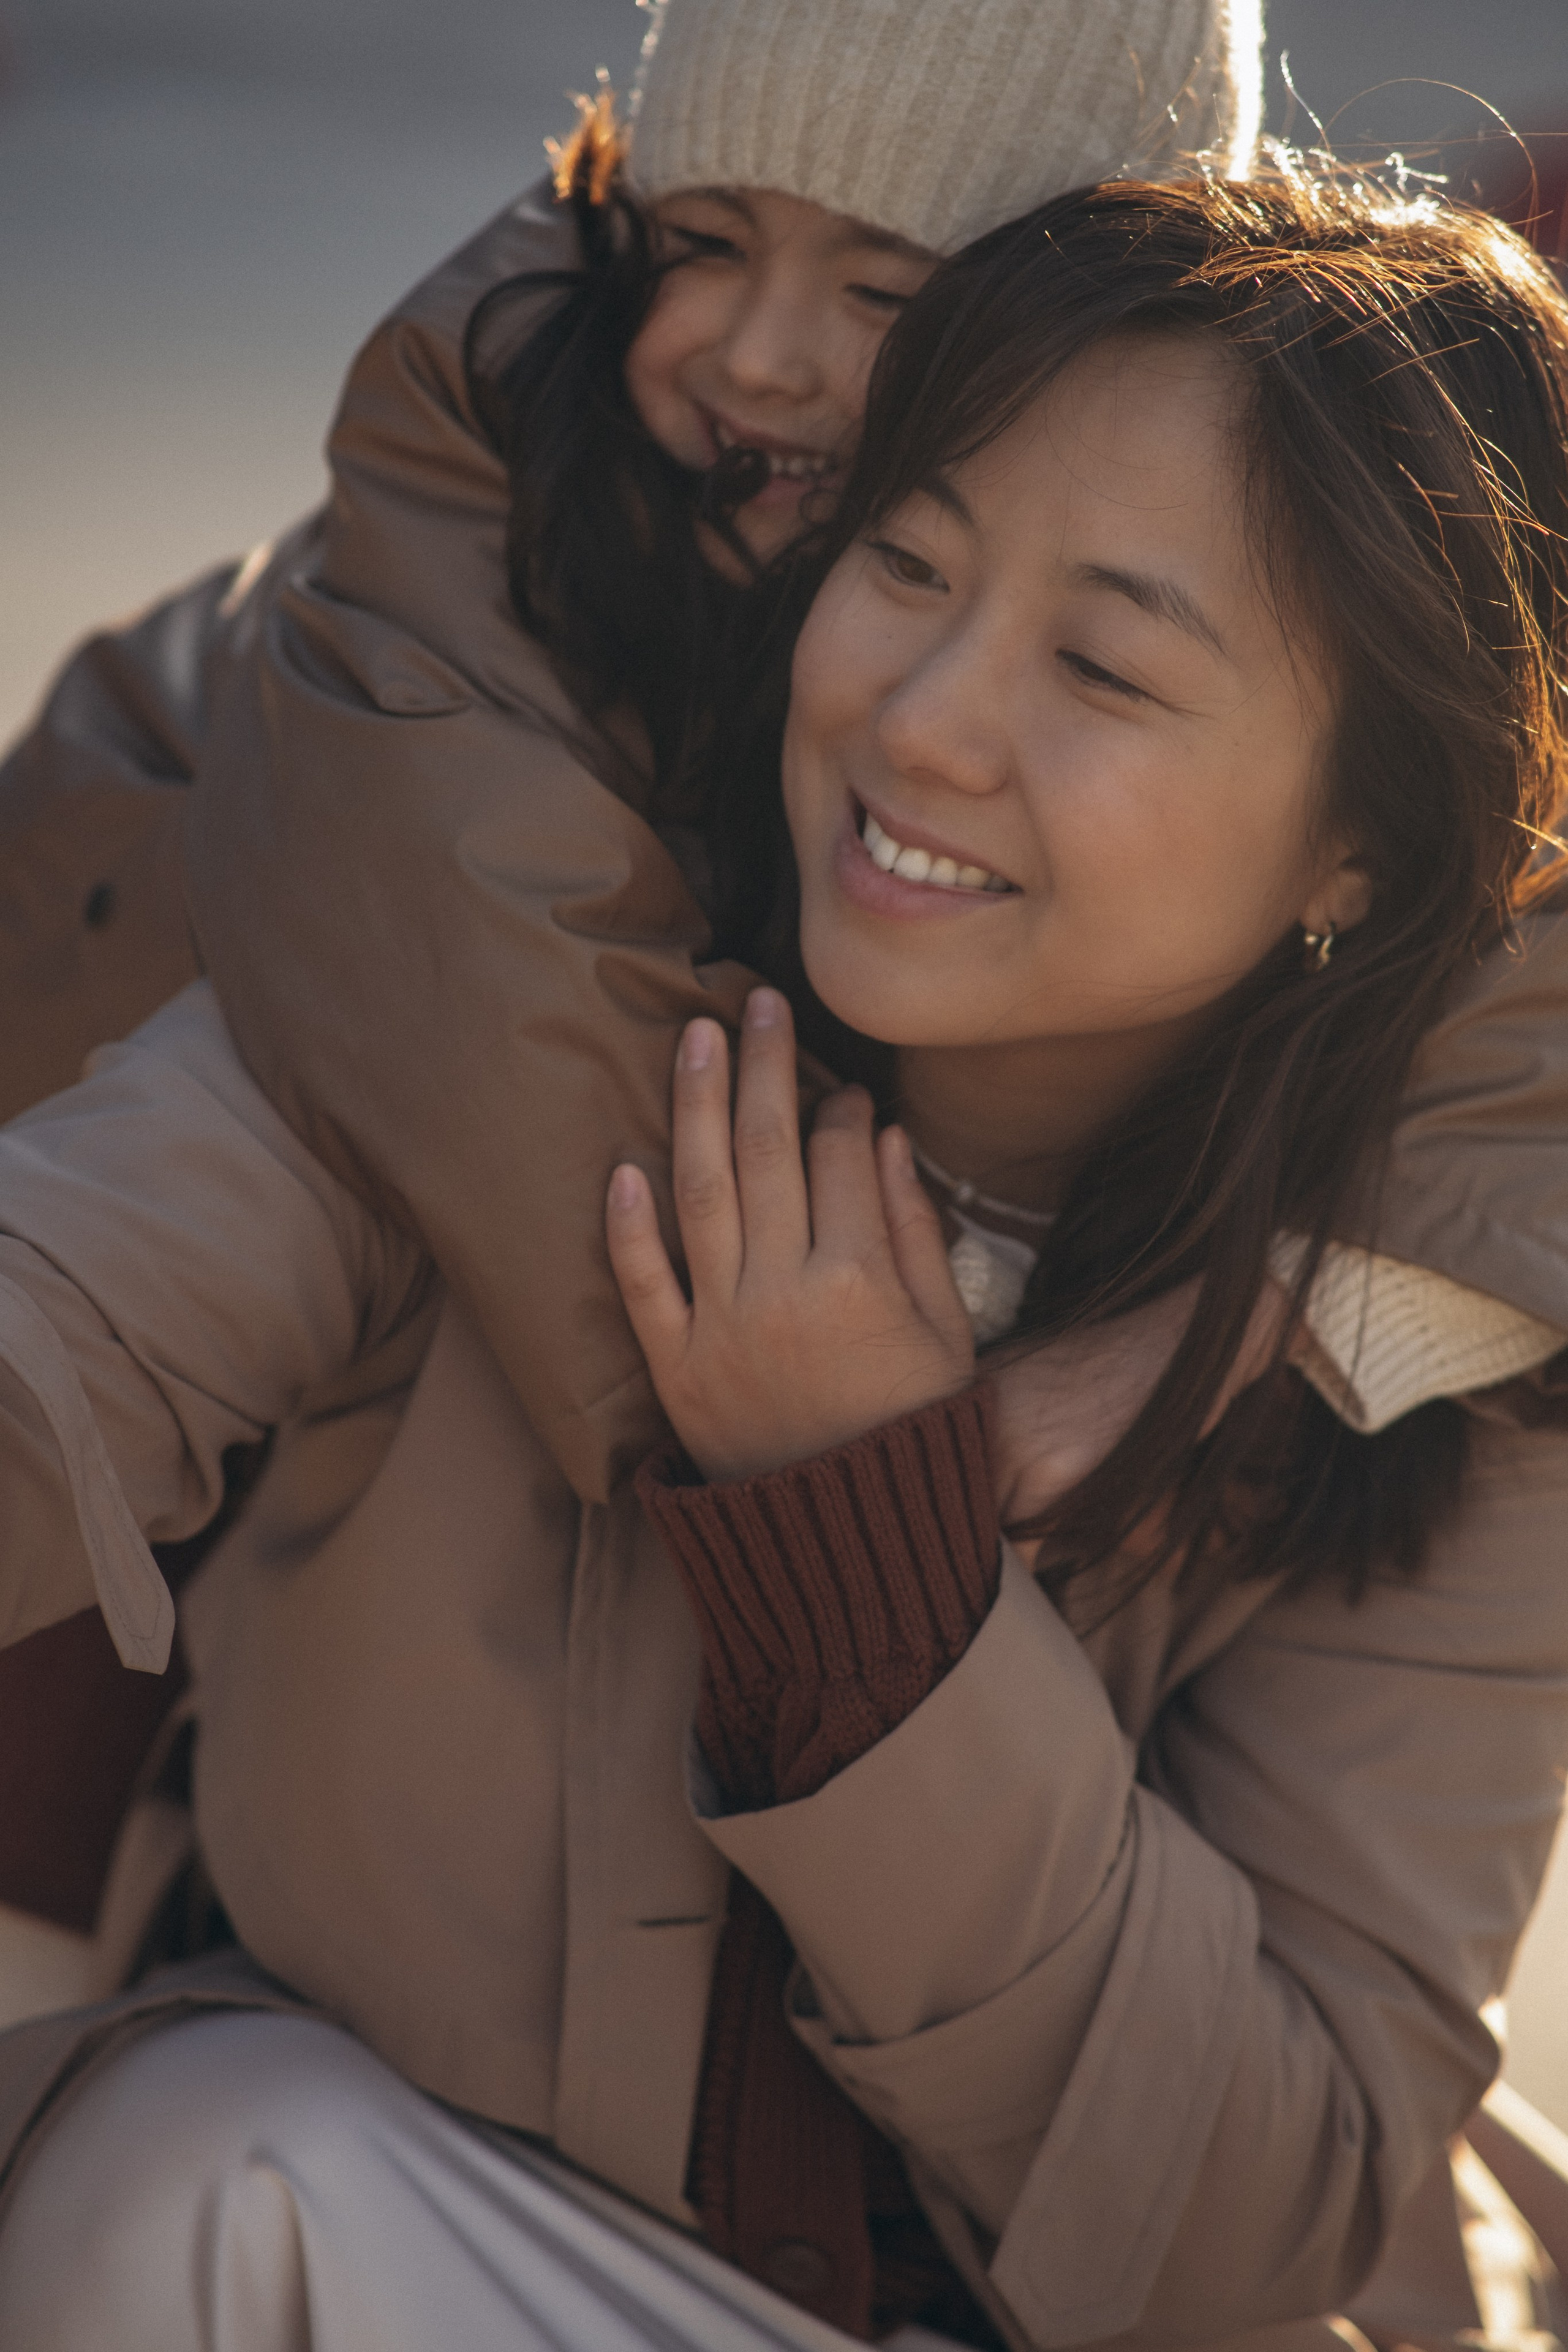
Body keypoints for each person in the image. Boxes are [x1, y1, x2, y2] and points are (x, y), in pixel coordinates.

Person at [0, 163, 1566, 2350]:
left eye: (1104, 667)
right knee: (200, 2168)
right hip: (422, 2243)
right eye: (903, 559)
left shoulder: (1439, 1373)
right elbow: (71, 1308)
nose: (922, 716)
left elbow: (1255, 2225)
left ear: (1355, 847)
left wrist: (879, 1567)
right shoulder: (499, 1030)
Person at [0, 0, 1294, 1970]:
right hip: (115, 981)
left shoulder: (1112, 559)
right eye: (698, 239)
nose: (756, 353)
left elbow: (1497, 966)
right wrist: (860, 1447)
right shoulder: (513, 522)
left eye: (883, 282)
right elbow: (503, 1047)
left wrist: (1315, 1289)